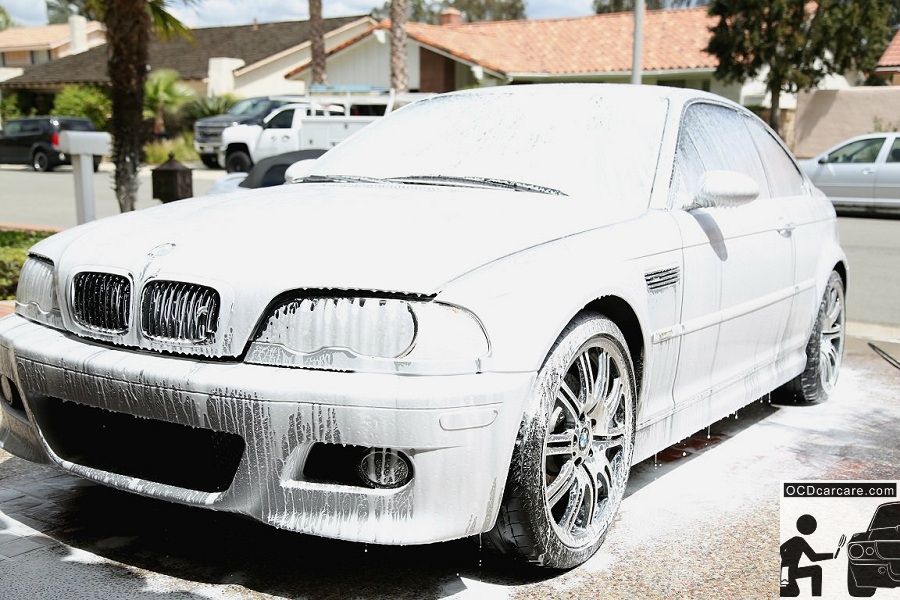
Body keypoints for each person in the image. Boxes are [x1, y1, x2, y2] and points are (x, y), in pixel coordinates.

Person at [780, 514, 837, 597]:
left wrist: (785, 559)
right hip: (787, 572)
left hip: (790, 570)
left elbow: (781, 548)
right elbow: (813, 557)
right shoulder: (798, 540)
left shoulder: (796, 539)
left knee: (816, 570)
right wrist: (832, 555)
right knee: (794, 592)